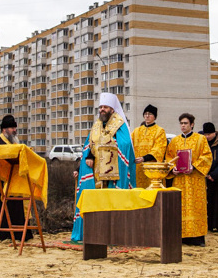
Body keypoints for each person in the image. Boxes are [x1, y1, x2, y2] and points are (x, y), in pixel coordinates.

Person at [70, 93, 137, 242]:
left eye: (105, 107)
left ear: (112, 109)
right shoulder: (96, 125)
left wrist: (107, 149)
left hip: (113, 172)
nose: (102, 110)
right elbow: (89, 145)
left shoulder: (119, 124)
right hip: (96, 172)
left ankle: (114, 233)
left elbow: (125, 145)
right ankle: (92, 231)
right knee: (94, 199)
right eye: (100, 107)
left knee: (110, 199)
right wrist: (89, 156)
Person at [0, 115, 32, 240]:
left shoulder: (14, 144)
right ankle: (2, 235)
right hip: (1, 187)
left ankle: (20, 234)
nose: (14, 130)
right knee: (2, 213)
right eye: (12, 127)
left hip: (15, 185)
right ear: (4, 130)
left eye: (15, 127)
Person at [166, 113, 213, 246]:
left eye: (186, 123)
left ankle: (197, 238)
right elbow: (169, 157)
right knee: (181, 207)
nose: (183, 126)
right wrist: (172, 168)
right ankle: (181, 236)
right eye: (181, 123)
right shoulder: (175, 141)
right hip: (180, 180)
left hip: (195, 180)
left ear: (192, 124)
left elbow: (207, 156)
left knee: (196, 207)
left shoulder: (200, 139)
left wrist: (194, 166)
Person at [131, 104, 168, 188]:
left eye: (150, 114)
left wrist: (144, 158)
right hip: (138, 168)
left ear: (154, 117)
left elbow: (159, 149)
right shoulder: (137, 130)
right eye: (145, 114)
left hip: (152, 168)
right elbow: (129, 145)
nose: (147, 116)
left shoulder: (159, 131)